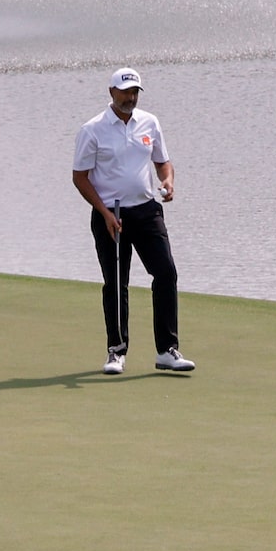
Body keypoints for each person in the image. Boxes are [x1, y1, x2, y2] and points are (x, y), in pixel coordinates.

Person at [71, 67, 192, 376]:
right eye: (125, 92)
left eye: (135, 91)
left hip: (147, 210)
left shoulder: (149, 122)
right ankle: (116, 351)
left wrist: (168, 182)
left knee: (166, 273)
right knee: (116, 283)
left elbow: (163, 162)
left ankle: (167, 350)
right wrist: (104, 212)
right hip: (111, 214)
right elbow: (80, 177)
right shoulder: (93, 129)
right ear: (111, 92)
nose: (131, 97)